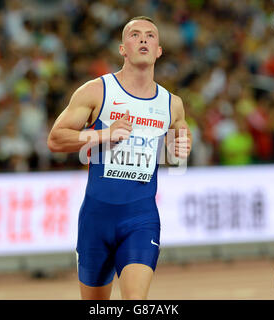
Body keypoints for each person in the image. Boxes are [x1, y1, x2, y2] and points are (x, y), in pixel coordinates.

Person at [47, 16, 192, 300]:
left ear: (159, 50)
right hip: (96, 220)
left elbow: (179, 144)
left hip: (140, 218)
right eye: (135, 35)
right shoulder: (96, 91)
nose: (143, 40)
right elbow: (55, 138)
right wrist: (102, 135)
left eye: (150, 36)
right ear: (122, 48)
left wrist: (181, 149)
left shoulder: (171, 104)